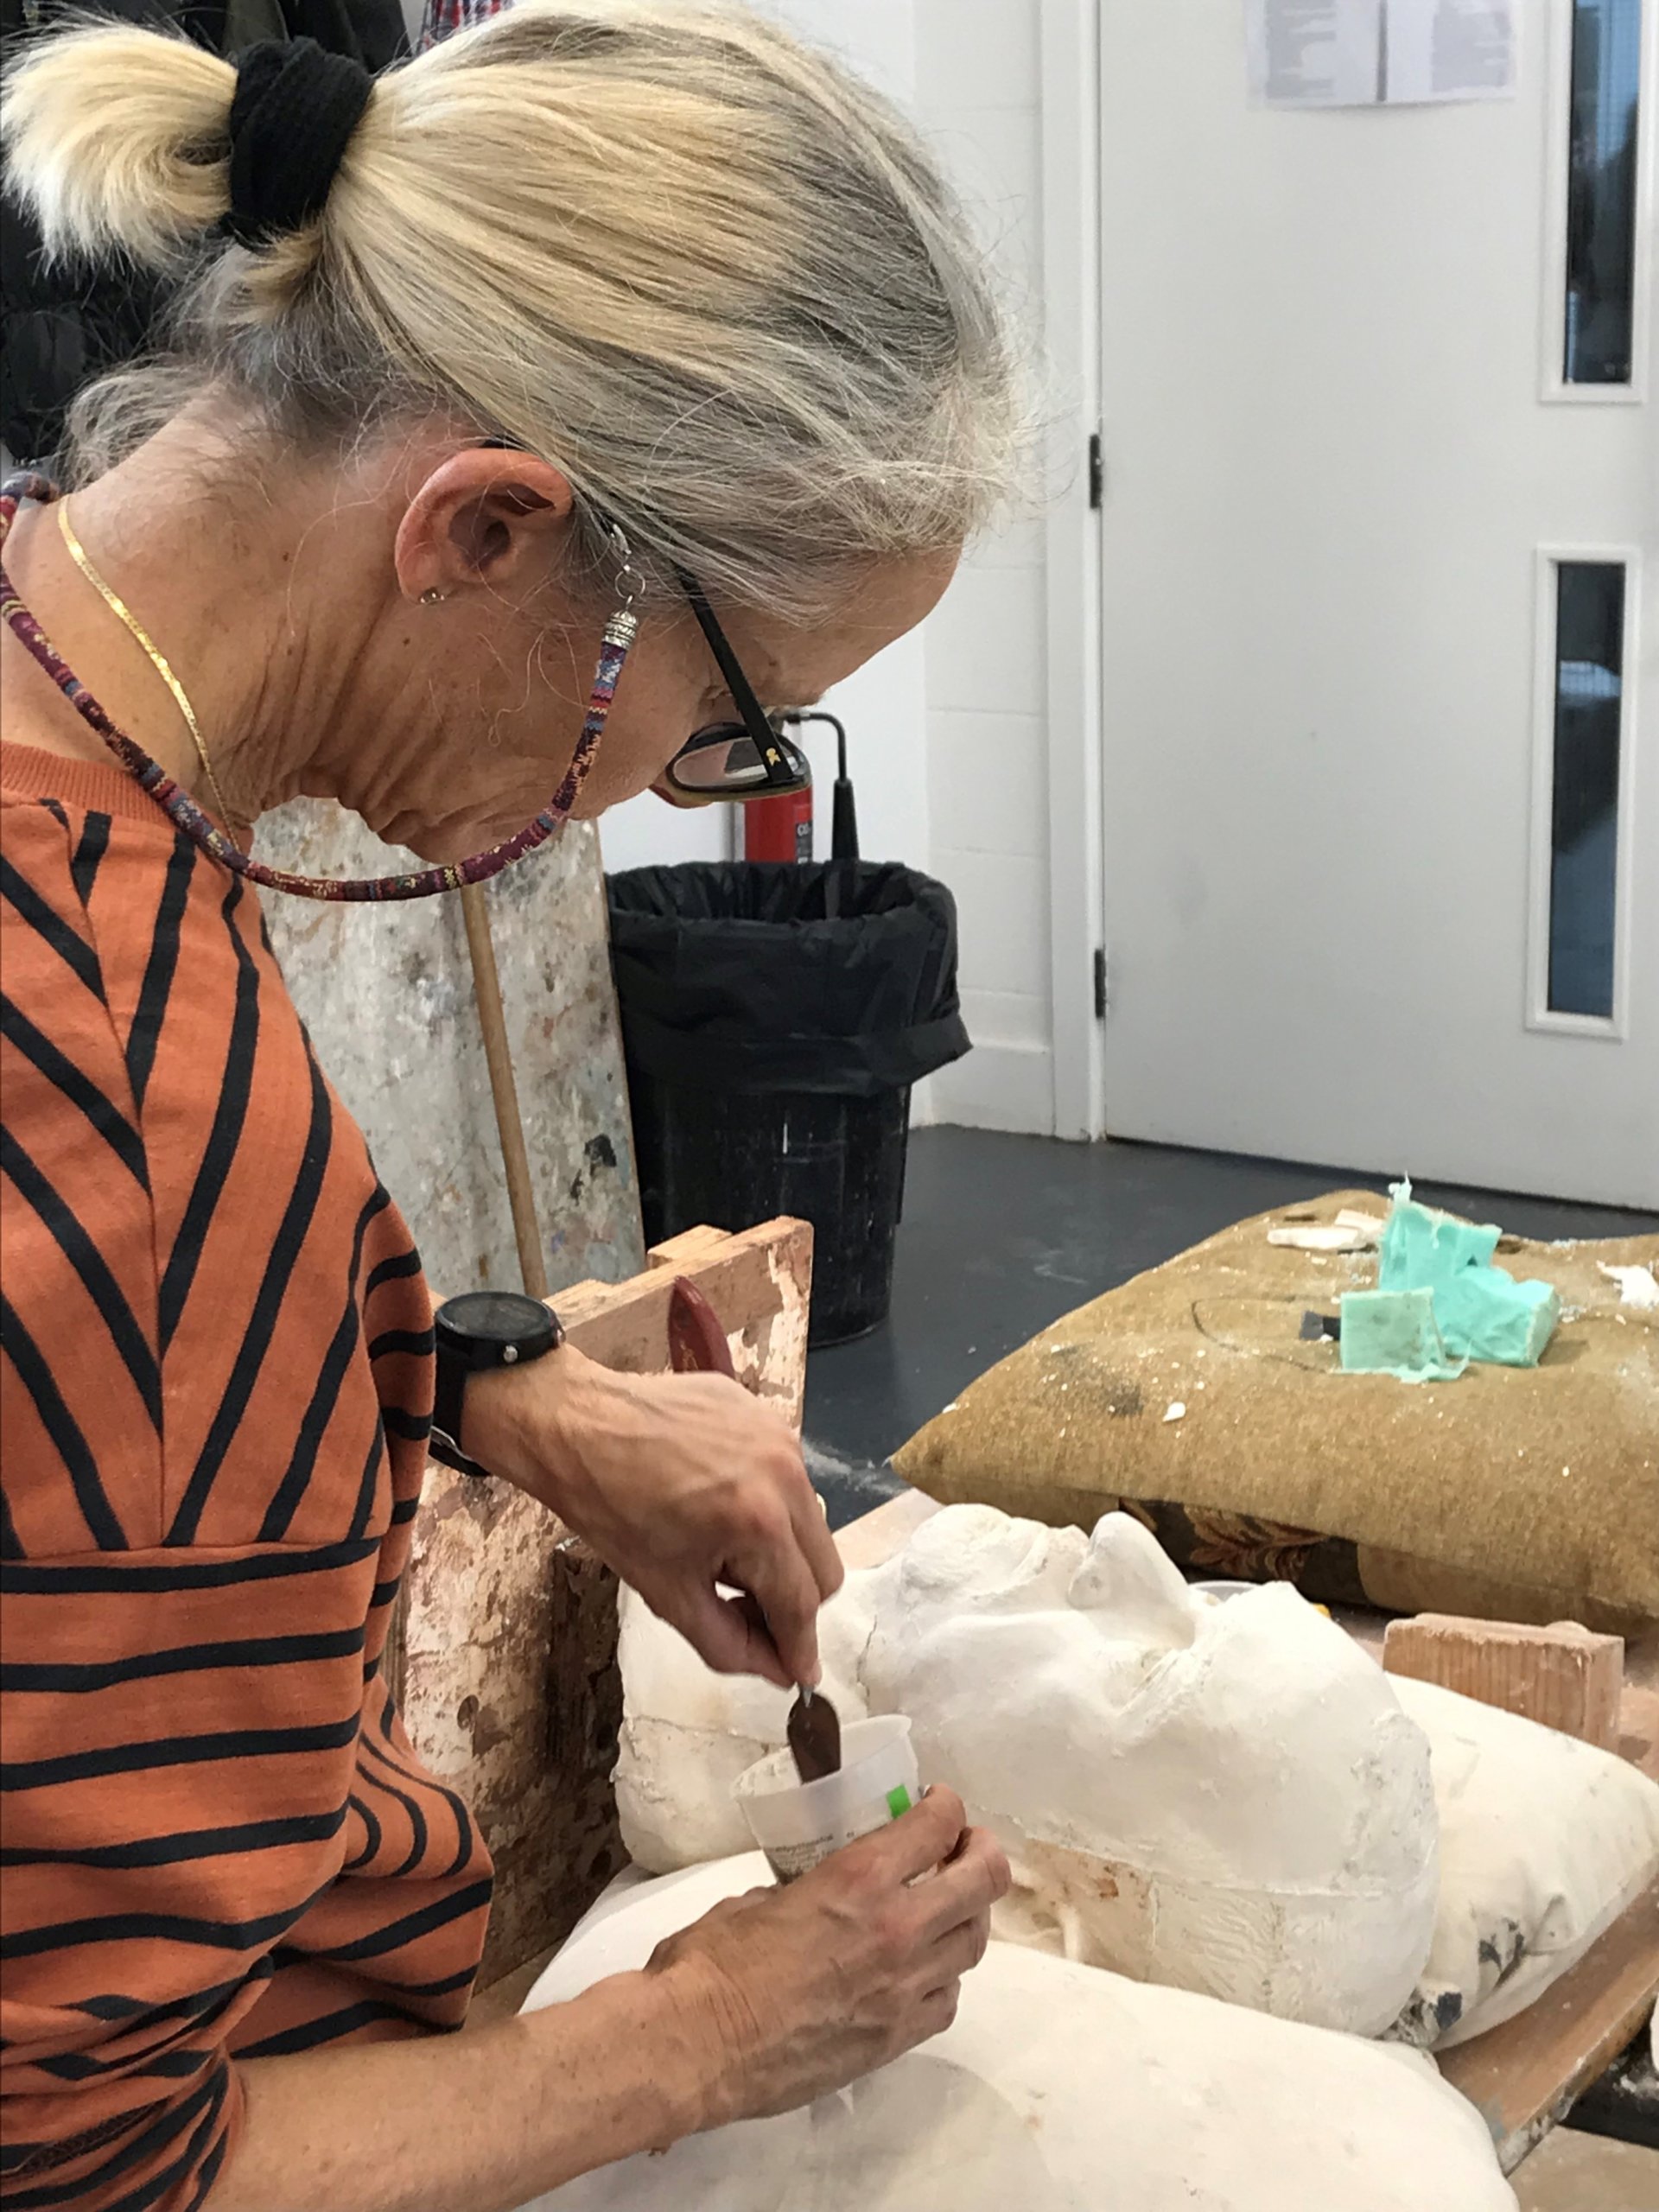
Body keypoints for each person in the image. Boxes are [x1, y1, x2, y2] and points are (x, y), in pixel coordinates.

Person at [0, 7, 1022, 2209]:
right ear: (480, 530)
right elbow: (85, 2175)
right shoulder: (113, 1093)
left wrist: (508, 1387)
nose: (673, 794)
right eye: (728, 723)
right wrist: (707, 2033)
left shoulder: (75, 724)